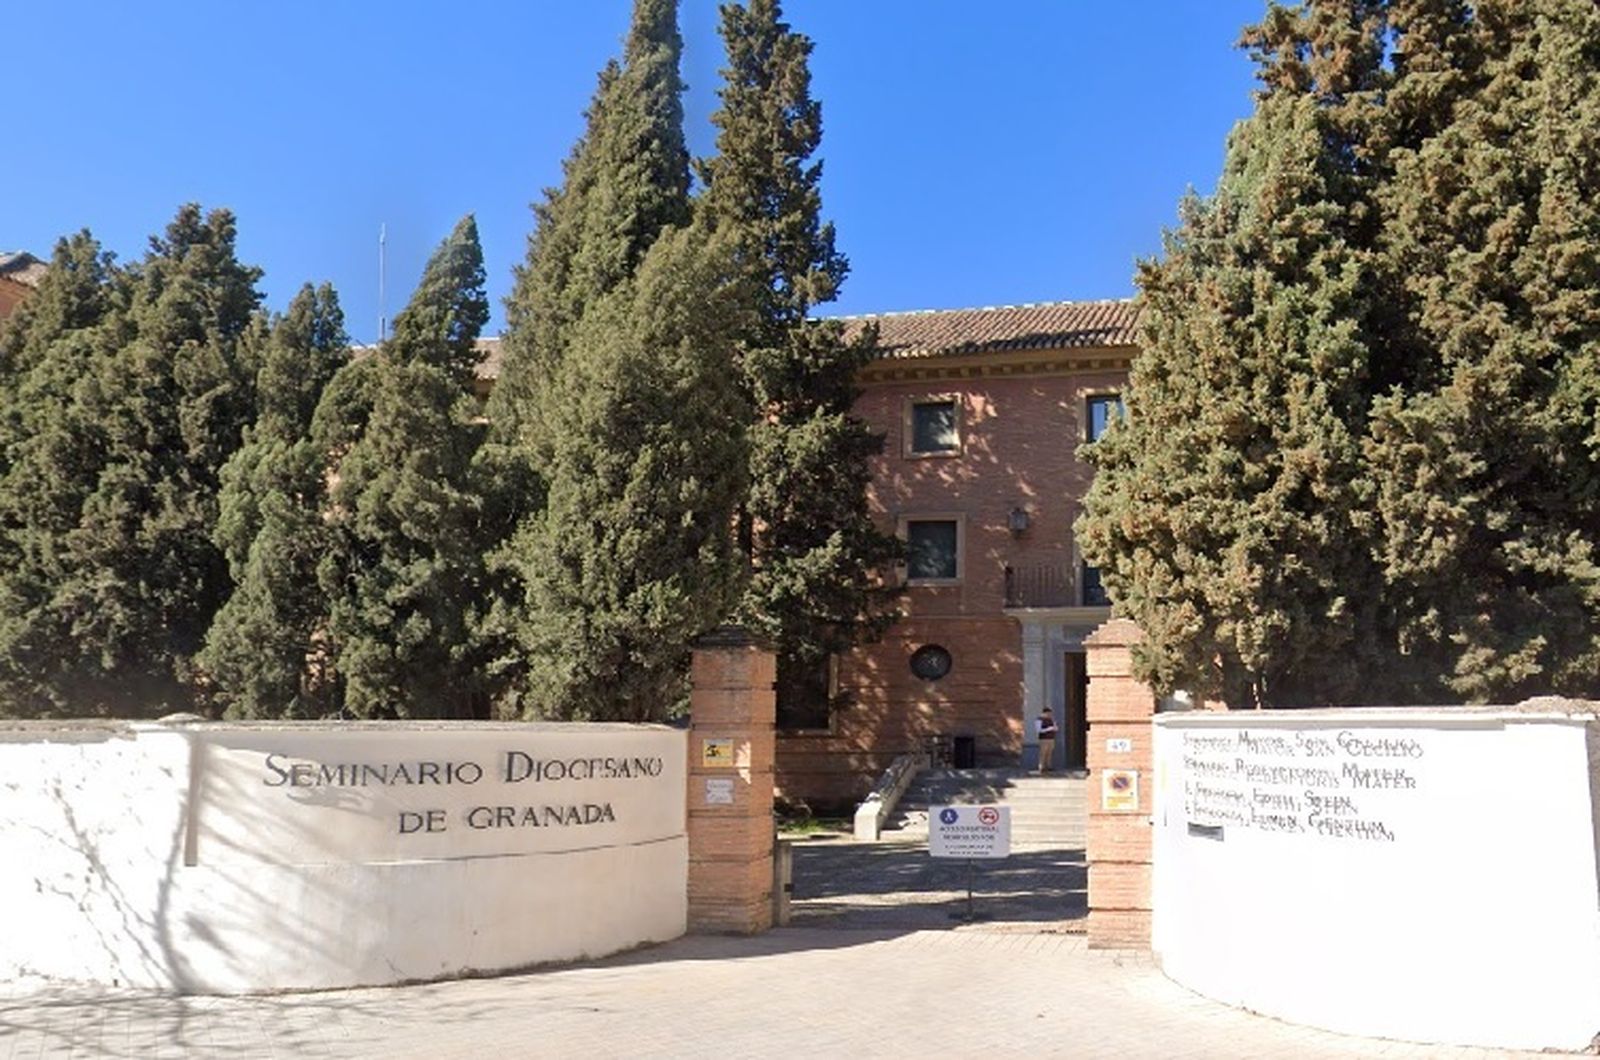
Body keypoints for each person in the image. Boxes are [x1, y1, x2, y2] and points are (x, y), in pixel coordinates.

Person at [1036, 707, 1058, 774]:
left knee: (1049, 753)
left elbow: (1055, 728)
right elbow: (1039, 730)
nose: (1049, 715)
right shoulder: (1039, 720)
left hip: (1051, 739)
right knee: (1043, 753)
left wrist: (1055, 727)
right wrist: (1049, 729)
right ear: (1044, 713)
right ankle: (1041, 767)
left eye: (1050, 713)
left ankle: (1048, 766)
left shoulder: (1051, 720)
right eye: (1048, 713)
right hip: (1043, 739)